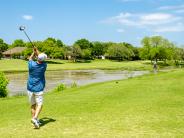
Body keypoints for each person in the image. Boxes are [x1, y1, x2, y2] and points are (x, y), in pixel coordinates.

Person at [27, 47, 47, 129]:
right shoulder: (44, 66)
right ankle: (35, 118)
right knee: (40, 105)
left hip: (30, 88)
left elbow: (30, 58)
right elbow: (40, 58)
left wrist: (33, 52)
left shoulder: (31, 64)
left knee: (33, 105)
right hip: (38, 89)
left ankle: (34, 121)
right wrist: (36, 51)